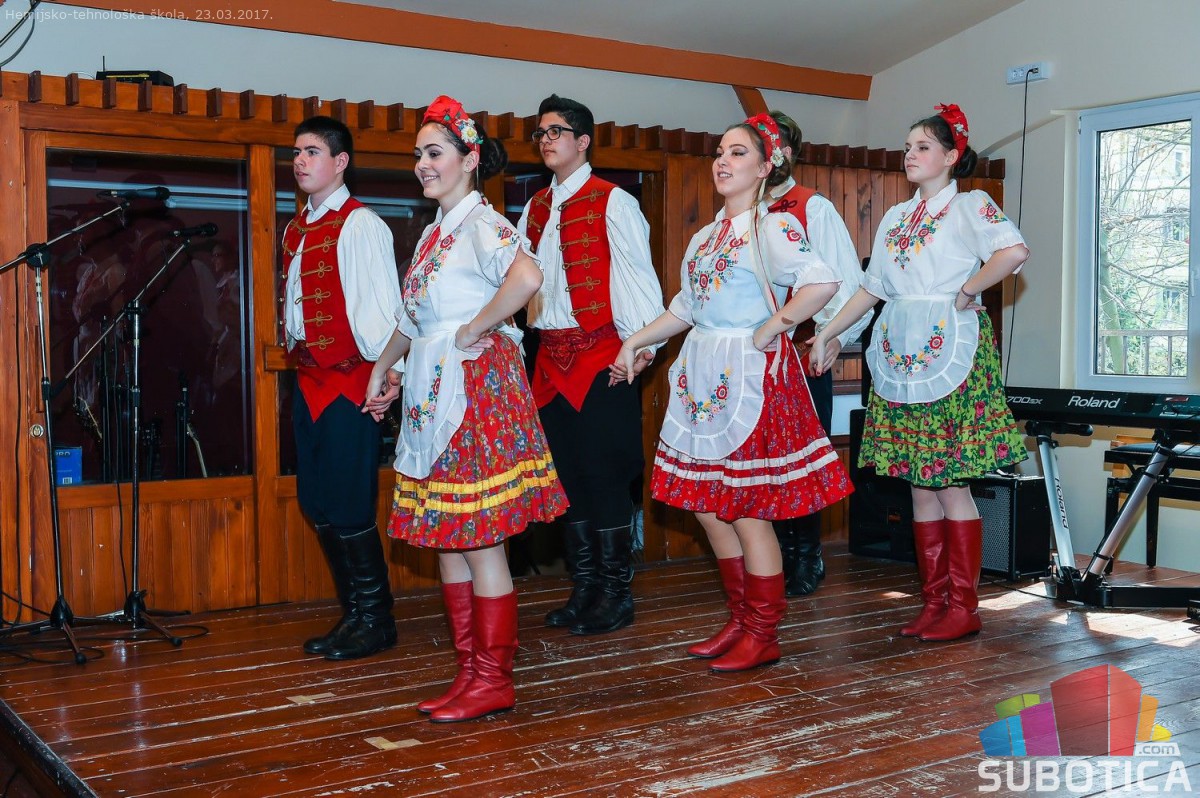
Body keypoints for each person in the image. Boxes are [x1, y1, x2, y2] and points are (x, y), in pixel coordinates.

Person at [612, 114, 853, 672]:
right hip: (704, 375)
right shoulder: (706, 236)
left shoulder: (774, 227)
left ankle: (763, 631)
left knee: (746, 510)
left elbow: (822, 281)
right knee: (708, 507)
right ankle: (741, 618)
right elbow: (685, 308)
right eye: (720, 152)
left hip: (749, 377)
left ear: (767, 168)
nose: (723, 161)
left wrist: (772, 328)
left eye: (738, 153)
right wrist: (636, 341)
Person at [365, 96, 568, 723]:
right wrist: (384, 366)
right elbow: (413, 318)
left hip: (473, 390)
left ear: (469, 159)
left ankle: (493, 678)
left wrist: (475, 328)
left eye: (435, 153)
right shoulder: (435, 231)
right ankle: (469, 670)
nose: (423, 164)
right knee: (447, 537)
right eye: (419, 155)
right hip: (434, 389)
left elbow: (527, 279)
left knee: (479, 539)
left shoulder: (483, 222)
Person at [811, 103, 1029, 643]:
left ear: (952, 157)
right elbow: (872, 288)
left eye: (923, 147)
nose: (911, 155)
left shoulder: (970, 205)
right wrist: (830, 332)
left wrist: (969, 289)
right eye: (908, 147)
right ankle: (935, 601)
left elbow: (1013, 252)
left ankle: (964, 605)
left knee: (950, 482)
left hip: (949, 349)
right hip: (902, 350)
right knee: (918, 483)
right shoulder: (895, 216)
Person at [517, 94, 665, 636]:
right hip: (549, 358)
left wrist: (640, 347)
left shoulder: (613, 201)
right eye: (540, 133)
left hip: (604, 355)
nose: (546, 140)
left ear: (582, 141)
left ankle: (615, 594)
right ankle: (584, 589)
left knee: (605, 475)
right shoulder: (534, 207)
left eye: (556, 131)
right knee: (566, 476)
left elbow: (637, 277)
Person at [283, 115, 402, 661]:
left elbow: (384, 311)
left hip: (352, 380)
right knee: (319, 501)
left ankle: (376, 619)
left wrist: (389, 376)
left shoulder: (360, 224)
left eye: (312, 151)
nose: (300, 160)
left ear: (340, 161)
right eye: (297, 152)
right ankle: (353, 613)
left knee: (350, 502)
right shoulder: (297, 227)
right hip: (309, 379)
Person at [762, 111, 872, 597]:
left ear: (785, 153)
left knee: (802, 454)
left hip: (799, 351)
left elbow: (845, 281)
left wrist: (831, 338)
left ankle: (806, 555)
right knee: (760, 456)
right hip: (749, 356)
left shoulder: (813, 207)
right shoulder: (739, 213)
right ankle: (769, 557)